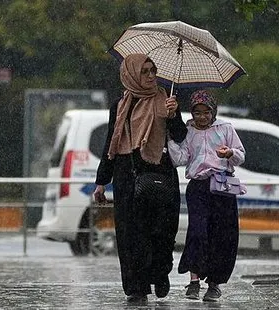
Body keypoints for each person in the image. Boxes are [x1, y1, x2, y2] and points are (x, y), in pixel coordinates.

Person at [92, 53, 187, 303]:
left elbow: (180, 137)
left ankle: (160, 273)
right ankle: (137, 287)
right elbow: (110, 144)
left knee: (162, 231)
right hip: (127, 174)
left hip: (160, 171)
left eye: (153, 71)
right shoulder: (120, 105)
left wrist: (174, 115)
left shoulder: (166, 99)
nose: (150, 76)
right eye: (144, 71)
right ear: (131, 74)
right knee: (131, 234)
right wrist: (101, 181)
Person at [167, 90, 245, 302]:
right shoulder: (188, 131)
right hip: (198, 188)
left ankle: (214, 284)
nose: (202, 117)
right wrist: (170, 141)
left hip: (222, 188)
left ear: (213, 112)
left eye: (206, 112)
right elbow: (181, 158)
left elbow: (240, 155)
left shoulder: (225, 129)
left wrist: (229, 153)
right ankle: (194, 280)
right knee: (198, 233)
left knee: (222, 236)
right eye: (197, 112)